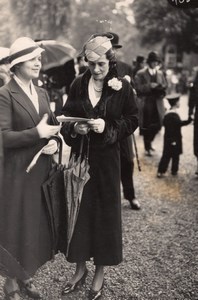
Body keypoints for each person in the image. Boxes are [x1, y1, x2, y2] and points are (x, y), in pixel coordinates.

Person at [60, 34, 139, 299]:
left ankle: (99, 274)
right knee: (79, 213)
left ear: (110, 61)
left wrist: (109, 127)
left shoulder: (122, 87)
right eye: (91, 64)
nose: (96, 70)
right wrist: (75, 128)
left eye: (101, 64)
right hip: (81, 159)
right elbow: (65, 121)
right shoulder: (77, 84)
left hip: (107, 163)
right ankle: (80, 269)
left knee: (104, 216)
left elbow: (132, 119)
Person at [0, 37, 61, 300]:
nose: (39, 62)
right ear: (18, 63)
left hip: (41, 172)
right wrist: (37, 133)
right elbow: (4, 137)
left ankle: (25, 275)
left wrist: (55, 143)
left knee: (33, 226)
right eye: (33, 58)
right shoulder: (4, 94)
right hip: (16, 173)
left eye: (39, 58)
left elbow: (54, 128)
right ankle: (10, 282)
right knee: (14, 225)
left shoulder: (43, 93)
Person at [105, 31, 140, 210]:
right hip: (103, 122)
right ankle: (108, 197)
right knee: (105, 161)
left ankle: (130, 195)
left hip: (122, 122)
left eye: (114, 48)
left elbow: (133, 94)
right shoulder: (96, 67)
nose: (111, 51)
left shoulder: (126, 68)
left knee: (127, 160)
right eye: (108, 47)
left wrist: (129, 88)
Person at [134, 51, 167, 156]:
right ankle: (147, 146)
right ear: (149, 62)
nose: (155, 64)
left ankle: (150, 142)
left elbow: (166, 84)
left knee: (158, 125)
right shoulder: (141, 73)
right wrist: (149, 86)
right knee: (147, 125)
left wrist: (160, 86)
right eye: (153, 62)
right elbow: (137, 87)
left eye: (156, 62)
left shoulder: (160, 73)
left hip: (158, 102)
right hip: (147, 102)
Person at [157, 93, 192, 178]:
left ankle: (174, 170)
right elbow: (173, 127)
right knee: (167, 155)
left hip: (173, 139)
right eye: (179, 102)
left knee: (175, 155)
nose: (179, 103)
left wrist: (189, 120)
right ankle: (161, 171)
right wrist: (173, 140)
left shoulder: (171, 114)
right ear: (176, 103)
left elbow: (178, 124)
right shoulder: (171, 115)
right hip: (172, 140)